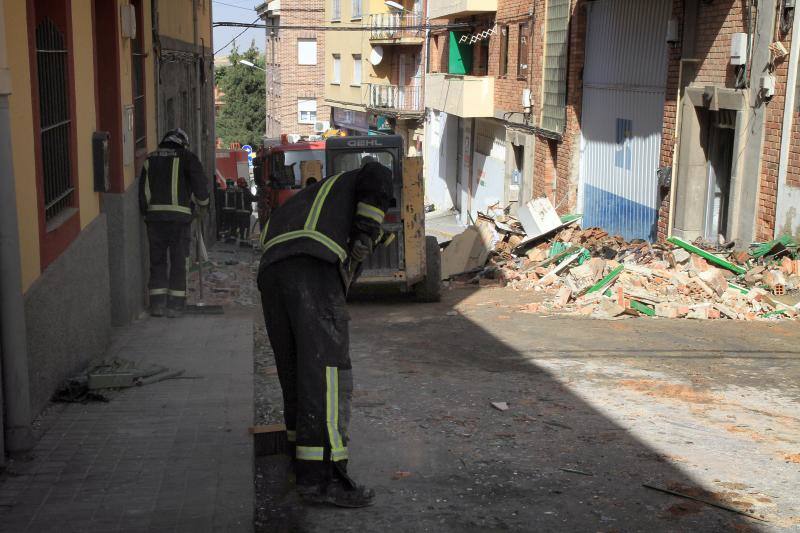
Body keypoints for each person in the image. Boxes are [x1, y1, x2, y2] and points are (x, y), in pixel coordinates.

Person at [257, 161, 393, 508]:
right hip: (310, 267)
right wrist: (366, 232)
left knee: (296, 372)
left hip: (272, 271)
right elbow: (377, 171)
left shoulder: (314, 200)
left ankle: (300, 461)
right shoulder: (357, 181)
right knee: (327, 376)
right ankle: (326, 478)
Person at [139, 128, 209, 318]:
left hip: (155, 220)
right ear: (182, 144)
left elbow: (144, 193)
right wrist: (203, 205)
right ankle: (175, 305)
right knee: (179, 261)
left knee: (157, 260)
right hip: (180, 220)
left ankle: (157, 305)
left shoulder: (150, 159)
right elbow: (200, 186)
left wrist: (148, 212)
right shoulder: (188, 158)